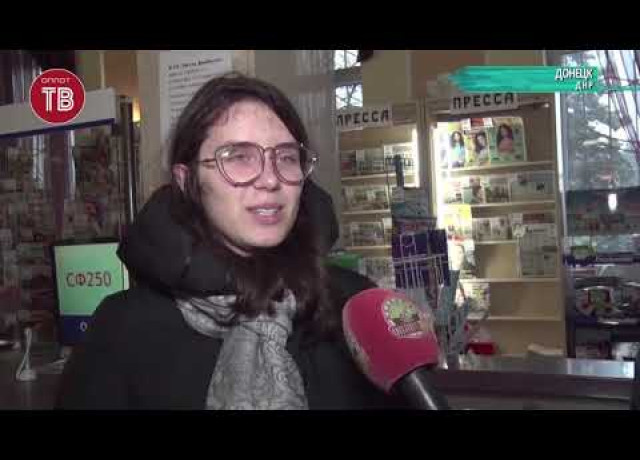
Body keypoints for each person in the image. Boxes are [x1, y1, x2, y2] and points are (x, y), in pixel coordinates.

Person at [55, 73, 405, 410]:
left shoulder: (354, 306)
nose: (270, 179)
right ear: (187, 180)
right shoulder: (125, 327)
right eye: (238, 157)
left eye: (286, 157)